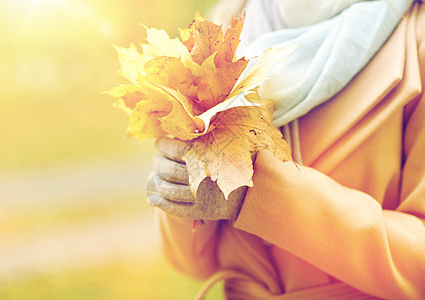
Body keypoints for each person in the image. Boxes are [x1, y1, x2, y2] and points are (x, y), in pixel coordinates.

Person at [146, 0, 425, 299]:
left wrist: (257, 191)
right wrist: (177, 197)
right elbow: (193, 264)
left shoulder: (415, 37)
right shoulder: (224, 32)